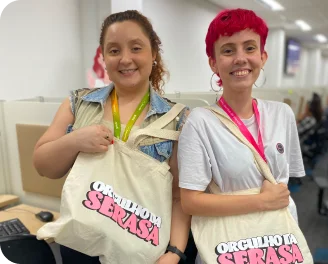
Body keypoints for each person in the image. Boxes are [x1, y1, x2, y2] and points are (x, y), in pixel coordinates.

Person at [33, 10, 190, 264]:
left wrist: (174, 252)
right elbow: (42, 165)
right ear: (104, 58)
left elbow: (180, 196)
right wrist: (75, 140)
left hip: (141, 249)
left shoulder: (177, 119)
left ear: (153, 54)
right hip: (81, 245)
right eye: (114, 50)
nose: (125, 59)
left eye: (136, 48)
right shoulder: (79, 104)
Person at [177, 9, 305, 264]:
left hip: (278, 241)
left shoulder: (283, 114)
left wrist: (270, 202)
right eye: (227, 50)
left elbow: (282, 185)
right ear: (213, 62)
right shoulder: (200, 122)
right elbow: (190, 203)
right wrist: (262, 201)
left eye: (249, 48)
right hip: (227, 245)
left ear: (263, 56)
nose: (240, 58)